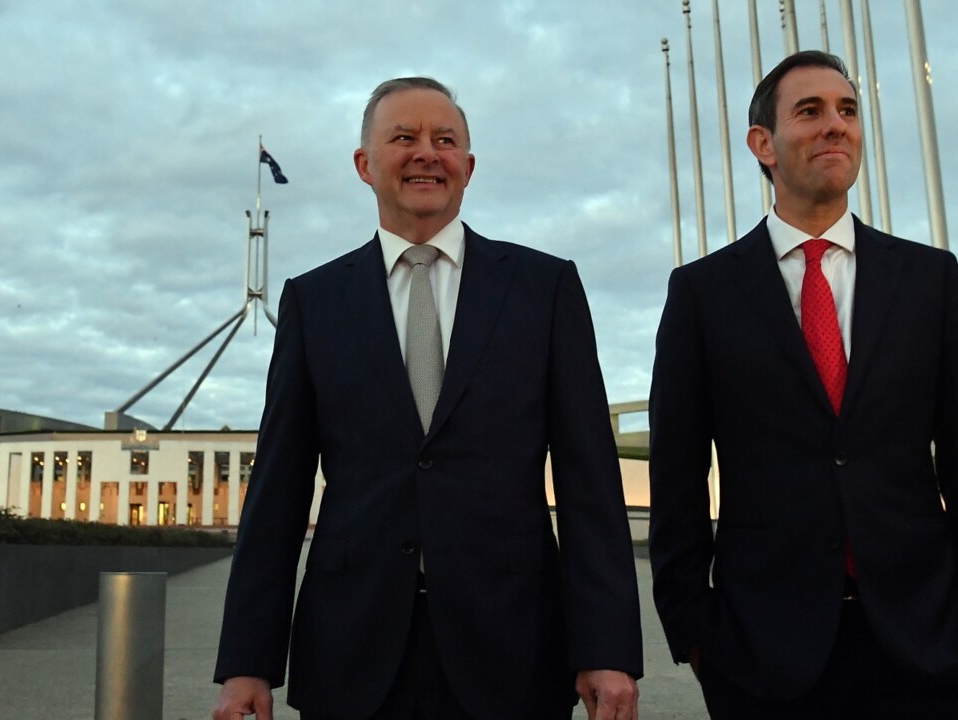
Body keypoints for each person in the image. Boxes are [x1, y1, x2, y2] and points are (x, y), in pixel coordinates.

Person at [212, 76, 642, 720]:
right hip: (351, 650)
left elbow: (590, 483)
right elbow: (277, 490)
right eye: (404, 137)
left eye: (445, 140)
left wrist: (607, 647)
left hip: (514, 646)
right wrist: (249, 660)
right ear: (365, 164)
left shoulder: (543, 288)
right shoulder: (315, 302)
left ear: (468, 167)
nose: (426, 153)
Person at [648, 51, 958, 719]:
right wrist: (696, 633)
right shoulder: (702, 294)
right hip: (764, 661)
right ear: (762, 144)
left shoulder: (930, 281)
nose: (836, 126)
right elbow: (676, 479)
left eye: (848, 111)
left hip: (938, 650)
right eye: (810, 111)